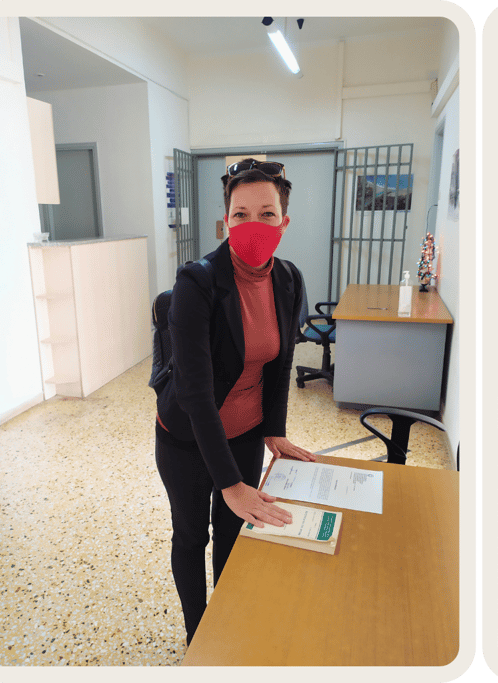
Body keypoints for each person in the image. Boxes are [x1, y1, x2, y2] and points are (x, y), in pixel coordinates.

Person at [155, 158, 317, 644]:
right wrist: (229, 483)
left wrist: (274, 429)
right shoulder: (197, 282)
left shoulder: (287, 279)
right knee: (191, 536)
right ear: (226, 220)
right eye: (241, 214)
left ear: (283, 223)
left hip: (245, 431)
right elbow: (195, 392)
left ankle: (225, 630)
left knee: (234, 536)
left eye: (266, 214)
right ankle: (197, 636)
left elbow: (280, 362)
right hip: (187, 437)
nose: (253, 225)